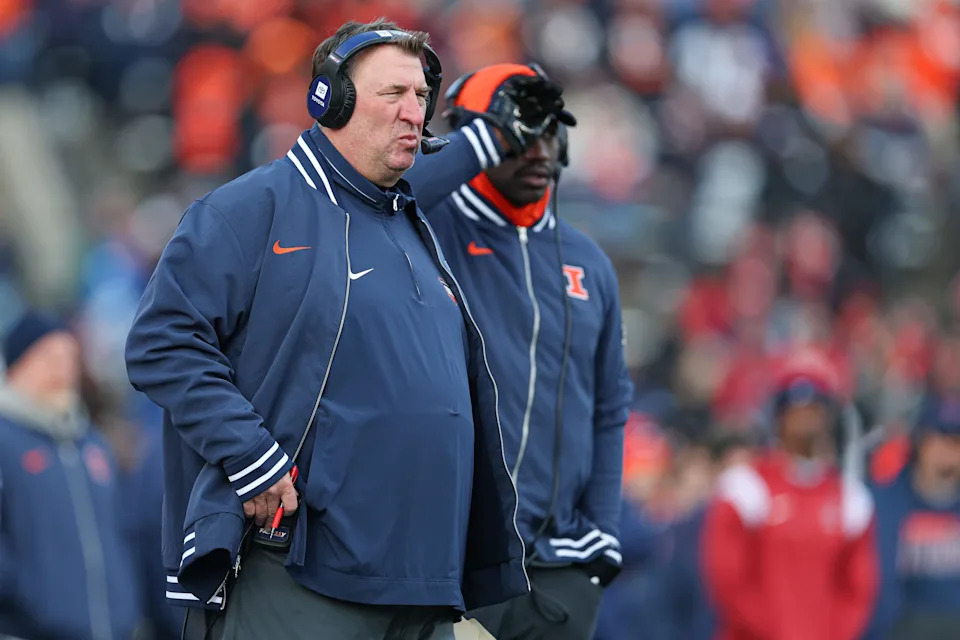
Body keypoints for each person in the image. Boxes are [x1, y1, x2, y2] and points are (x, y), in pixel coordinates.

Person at [125, 19, 527, 640]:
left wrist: (495, 134)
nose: (412, 112)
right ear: (330, 100)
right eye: (392, 94)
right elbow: (162, 340)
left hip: (421, 583)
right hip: (297, 575)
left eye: (421, 96)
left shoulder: (408, 220)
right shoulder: (252, 207)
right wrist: (250, 456)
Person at [405, 63, 634, 639]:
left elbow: (609, 408)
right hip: (449, 557)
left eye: (551, 130)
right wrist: (477, 140)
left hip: (558, 568)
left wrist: (600, 536)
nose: (539, 149)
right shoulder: (422, 226)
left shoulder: (589, 262)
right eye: (520, 131)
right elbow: (382, 192)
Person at [701, 347, 878, 640]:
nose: (805, 418)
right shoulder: (745, 489)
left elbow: (858, 590)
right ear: (779, 414)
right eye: (795, 408)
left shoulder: (850, 499)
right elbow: (728, 582)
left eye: (814, 408)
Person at [0, 310, 140, 639]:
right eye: (49, 355)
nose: (62, 367)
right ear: (18, 363)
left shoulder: (93, 444)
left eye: (69, 356)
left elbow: (122, 533)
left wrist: (127, 605)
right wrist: (23, 602)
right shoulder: (6, 439)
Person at [866, 394, 960, 640]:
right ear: (919, 443)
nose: (948, 453)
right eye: (939, 440)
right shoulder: (879, 503)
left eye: (957, 442)